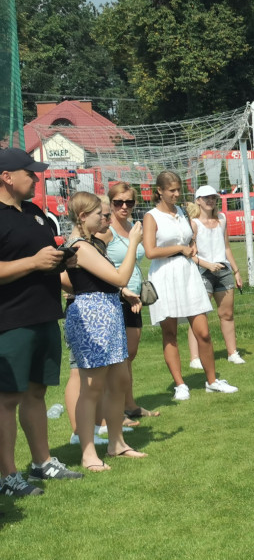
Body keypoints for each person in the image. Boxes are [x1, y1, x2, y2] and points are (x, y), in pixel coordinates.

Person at [0, 148, 81, 495]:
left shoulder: (34, 212)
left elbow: (42, 258)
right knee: (6, 399)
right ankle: (7, 476)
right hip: (11, 320)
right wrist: (34, 263)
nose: (35, 178)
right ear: (7, 177)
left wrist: (63, 262)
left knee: (36, 392)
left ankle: (42, 463)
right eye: (29, 173)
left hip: (45, 314)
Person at [62, 192, 147, 470]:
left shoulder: (93, 243)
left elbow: (112, 282)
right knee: (92, 386)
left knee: (119, 379)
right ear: (83, 216)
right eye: (100, 214)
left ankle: (117, 443)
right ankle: (88, 453)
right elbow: (120, 275)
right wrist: (133, 242)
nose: (105, 218)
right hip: (91, 315)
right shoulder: (80, 247)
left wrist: (123, 292)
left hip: (108, 311)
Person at [143, 170, 237, 400]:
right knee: (170, 332)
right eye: (171, 190)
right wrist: (180, 249)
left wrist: (190, 247)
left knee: (203, 332)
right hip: (164, 274)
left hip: (188, 273)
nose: (176, 194)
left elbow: (189, 240)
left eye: (178, 190)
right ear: (160, 191)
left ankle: (212, 381)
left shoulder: (182, 212)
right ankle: (180, 384)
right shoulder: (151, 216)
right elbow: (150, 252)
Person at [98, 181, 160, 420]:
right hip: (115, 295)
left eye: (129, 202)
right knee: (117, 357)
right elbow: (98, 262)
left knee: (129, 354)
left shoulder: (135, 226)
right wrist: (121, 288)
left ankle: (129, 404)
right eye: (118, 202)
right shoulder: (106, 230)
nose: (124, 206)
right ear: (111, 203)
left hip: (135, 296)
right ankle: (113, 410)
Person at [185, 185, 246, 367]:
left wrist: (236, 271)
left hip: (223, 270)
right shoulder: (193, 223)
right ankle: (195, 358)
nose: (210, 200)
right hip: (202, 271)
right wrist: (207, 265)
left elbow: (226, 247)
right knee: (198, 316)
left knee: (227, 313)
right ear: (198, 200)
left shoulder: (222, 219)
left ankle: (232, 353)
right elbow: (190, 253)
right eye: (206, 198)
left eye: (213, 197)